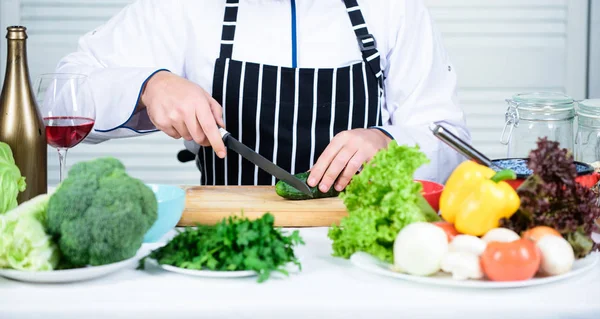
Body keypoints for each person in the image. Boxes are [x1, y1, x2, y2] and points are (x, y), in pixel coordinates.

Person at [55, 0, 470, 192]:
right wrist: (149, 85)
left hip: (363, 256)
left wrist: (387, 143)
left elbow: (451, 142)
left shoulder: (396, 9)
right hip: (229, 246)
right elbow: (61, 96)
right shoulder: (183, 8)